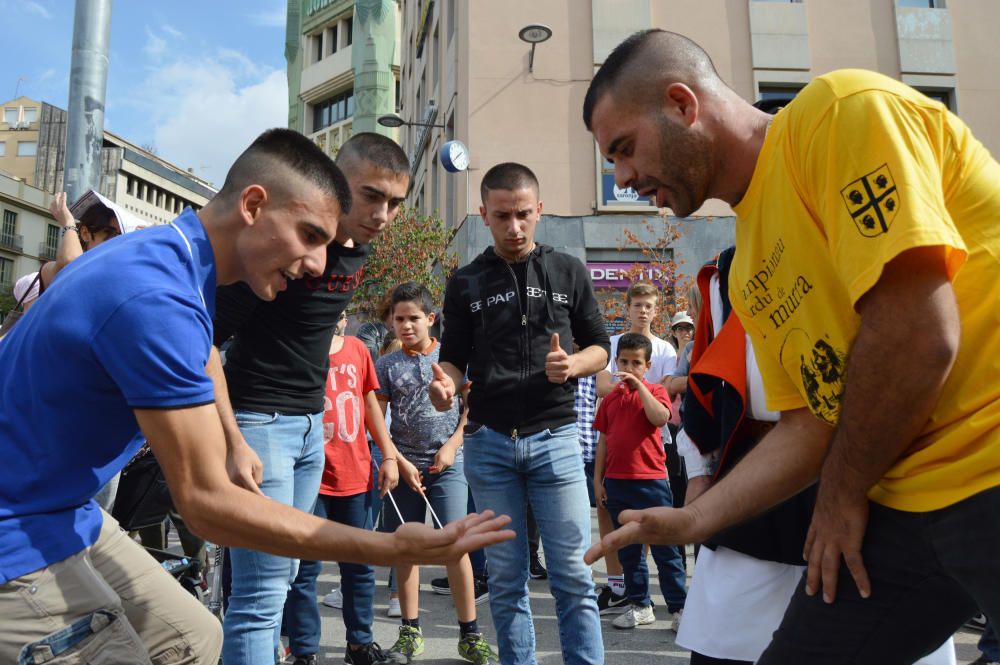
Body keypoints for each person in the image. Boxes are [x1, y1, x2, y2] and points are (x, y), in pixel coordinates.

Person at [0, 128, 512, 665]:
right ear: (253, 204)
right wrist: (390, 546)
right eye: (311, 236)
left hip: (68, 509)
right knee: (242, 605)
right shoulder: (158, 299)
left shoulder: (177, 265)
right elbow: (207, 507)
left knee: (197, 639)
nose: (318, 264)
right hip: (18, 528)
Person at [583, 28, 1000, 664]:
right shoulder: (747, 267)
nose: (623, 177)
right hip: (908, 499)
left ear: (681, 104)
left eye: (624, 148)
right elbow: (813, 423)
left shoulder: (838, 113)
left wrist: (838, 495)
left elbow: (920, 331)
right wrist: (696, 519)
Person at [212, 132, 427, 665]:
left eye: (395, 203)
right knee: (261, 596)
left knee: (283, 578)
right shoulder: (288, 239)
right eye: (371, 195)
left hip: (313, 429)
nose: (382, 214)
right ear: (334, 181)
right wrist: (233, 437)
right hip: (261, 421)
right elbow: (201, 339)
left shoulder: (358, 248)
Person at [429, 162, 610, 665]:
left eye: (524, 214)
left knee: (574, 575)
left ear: (540, 210)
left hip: (555, 439)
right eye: (503, 215)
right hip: (489, 445)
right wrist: (445, 384)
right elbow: (453, 358)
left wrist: (573, 364)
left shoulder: (569, 269)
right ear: (483, 214)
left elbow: (600, 347)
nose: (515, 226)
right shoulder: (465, 281)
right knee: (507, 580)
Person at [375, 281, 499, 665]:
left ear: (430, 318)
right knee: (406, 547)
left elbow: (470, 411)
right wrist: (396, 459)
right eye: (399, 319)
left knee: (454, 546)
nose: (406, 326)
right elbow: (377, 422)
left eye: (414, 318)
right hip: (403, 468)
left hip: (448, 465)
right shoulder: (386, 364)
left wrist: (451, 446)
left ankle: (470, 634)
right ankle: (410, 632)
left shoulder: (451, 359)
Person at [282, 309, 406, 665]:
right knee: (304, 570)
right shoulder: (298, 349)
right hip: (310, 478)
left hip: (354, 474)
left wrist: (388, 456)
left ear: (344, 316)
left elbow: (370, 403)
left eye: (337, 310)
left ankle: (359, 645)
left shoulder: (356, 349)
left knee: (359, 567)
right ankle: (304, 650)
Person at [593, 333, 686, 631]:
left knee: (664, 549)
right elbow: (603, 442)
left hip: (652, 482)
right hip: (618, 483)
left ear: (648, 365)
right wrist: (598, 480)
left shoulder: (656, 391)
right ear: (616, 361)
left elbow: (660, 418)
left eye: (636, 363)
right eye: (624, 361)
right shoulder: (610, 400)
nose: (629, 368)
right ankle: (640, 604)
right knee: (629, 550)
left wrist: (640, 389)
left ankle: (679, 608)